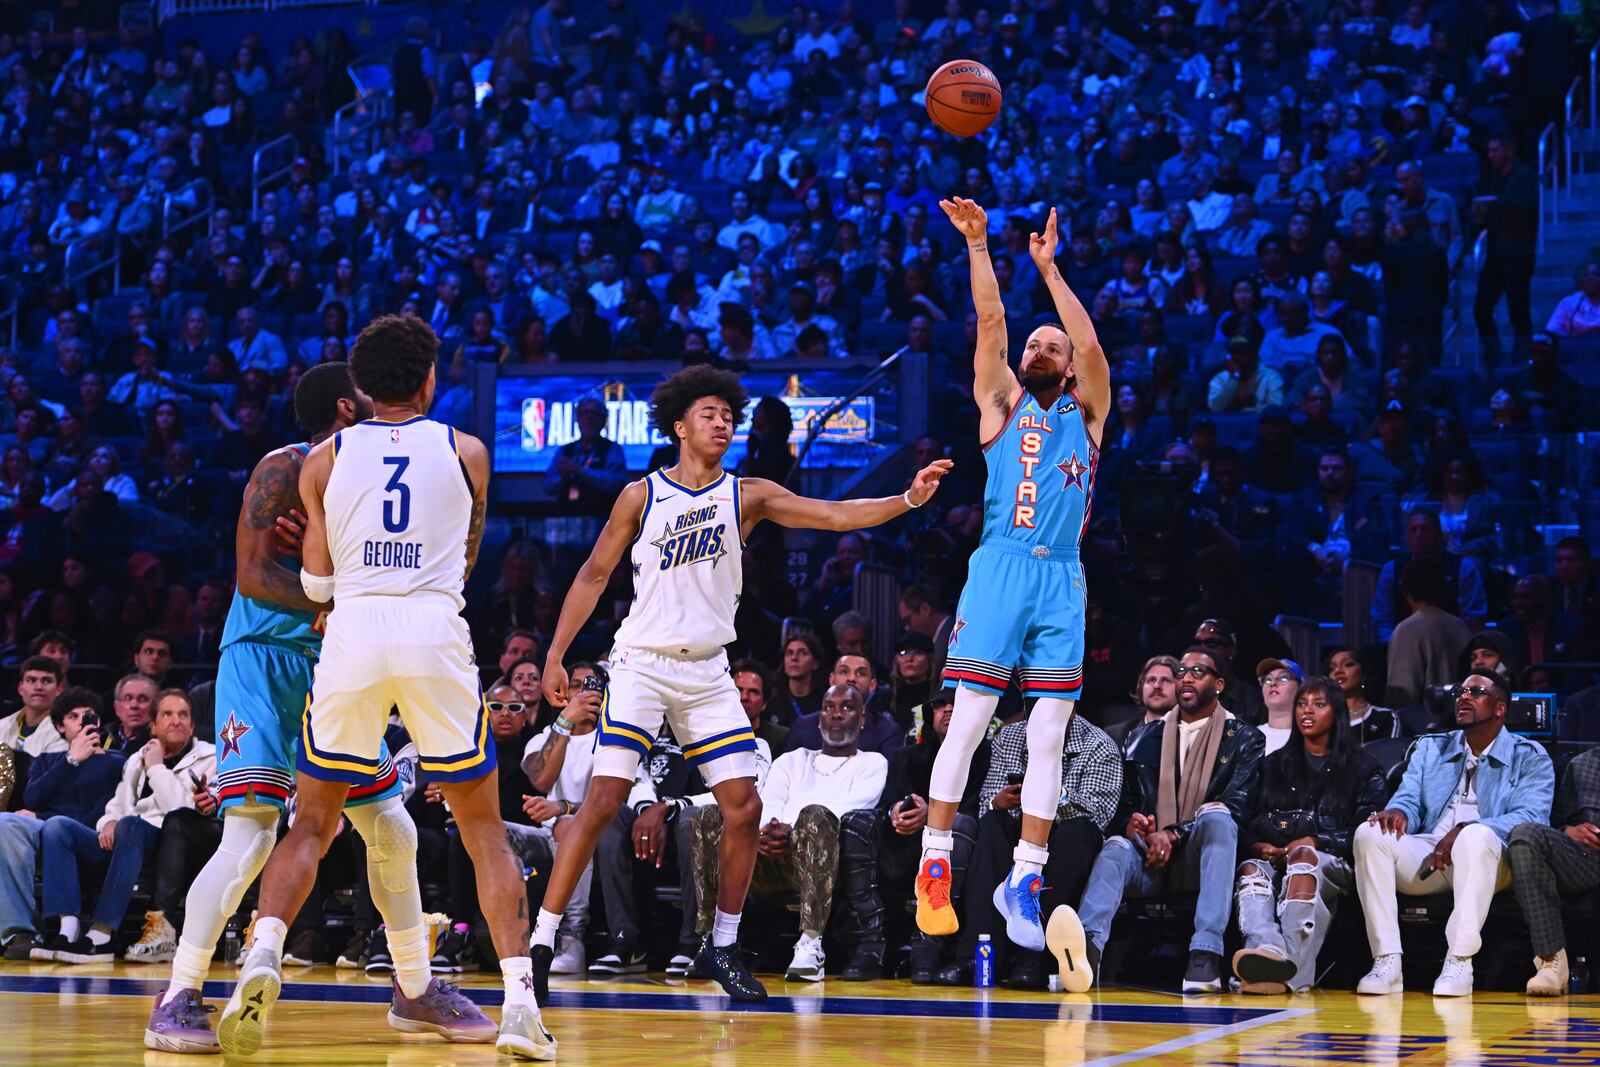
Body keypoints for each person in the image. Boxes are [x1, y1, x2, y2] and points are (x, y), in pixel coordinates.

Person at [534, 362, 949, 1013]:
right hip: (641, 662)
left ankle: (722, 944)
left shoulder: (747, 493)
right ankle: (540, 940)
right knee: (604, 798)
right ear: (678, 424)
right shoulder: (640, 496)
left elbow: (834, 514)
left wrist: (906, 500)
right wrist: (557, 652)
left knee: (745, 808)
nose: (723, 421)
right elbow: (591, 575)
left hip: (706, 672)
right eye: (709, 413)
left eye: (730, 414)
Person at [151, 362, 495, 1053]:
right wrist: (338, 596)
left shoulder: (373, 477)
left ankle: (415, 987)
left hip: (336, 662)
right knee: (249, 836)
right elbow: (252, 572)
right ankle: (179, 993)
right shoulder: (287, 465)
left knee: (393, 830)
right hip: (261, 660)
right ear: (348, 404)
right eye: (373, 394)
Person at [918, 199, 1110, 959]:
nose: (1039, 344)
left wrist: (1050, 271)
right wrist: (978, 247)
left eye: (1050, 343)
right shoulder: (998, 402)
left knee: (1049, 733)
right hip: (999, 564)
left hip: (1061, 577)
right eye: (1035, 339)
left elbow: (1091, 342)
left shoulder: (1088, 413)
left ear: (1064, 366)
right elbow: (990, 323)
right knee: (967, 720)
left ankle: (1026, 877)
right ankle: (936, 862)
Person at [1071, 646, 1265, 993]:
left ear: (1219, 684)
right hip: (1148, 857)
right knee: (1115, 847)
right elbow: (1126, 804)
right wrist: (1134, 826)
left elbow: (1238, 806)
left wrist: (1174, 834)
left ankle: (1205, 952)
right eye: (1183, 672)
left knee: (1218, 819)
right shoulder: (1141, 738)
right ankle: (1086, 951)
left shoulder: (1245, 738)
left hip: (1200, 858)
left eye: (1198, 672)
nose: (1187, 678)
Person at [1353, 673, 1554, 996]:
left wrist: (1466, 828)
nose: (1463, 697)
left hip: (1492, 857)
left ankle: (1459, 960)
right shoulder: (1431, 748)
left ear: (1500, 708)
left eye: (1476, 692)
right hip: (1432, 852)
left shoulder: (1527, 755)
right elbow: (1410, 796)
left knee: (1475, 839)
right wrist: (1400, 811)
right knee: (1370, 833)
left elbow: (1533, 816)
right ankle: (1386, 961)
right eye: (1460, 691)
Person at [690, 682, 887, 981]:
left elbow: (849, 806)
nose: (836, 714)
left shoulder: (872, 763)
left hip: (824, 864)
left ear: (861, 719)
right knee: (706, 816)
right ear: (819, 718)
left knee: (817, 815)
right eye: (829, 708)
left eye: (846, 708)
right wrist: (765, 833)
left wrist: (789, 832)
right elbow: (768, 800)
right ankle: (711, 942)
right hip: (764, 855)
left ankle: (811, 942)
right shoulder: (793, 759)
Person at [938, 706, 1121, 990]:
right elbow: (987, 798)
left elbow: (1100, 814)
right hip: (1017, 828)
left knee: (1076, 833)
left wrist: (1051, 795)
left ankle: (1034, 956)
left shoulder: (1098, 744)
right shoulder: (1008, 737)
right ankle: (980, 954)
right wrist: (998, 802)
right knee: (992, 825)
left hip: (1068, 834)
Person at [1231, 678, 1386, 993]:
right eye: (1302, 704)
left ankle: (1292, 975)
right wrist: (1257, 845)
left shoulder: (1364, 768)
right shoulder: (1272, 765)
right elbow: (1246, 819)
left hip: (1338, 864)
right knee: (1250, 871)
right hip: (1277, 859)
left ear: (1337, 712)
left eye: (1319, 704)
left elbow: (1366, 829)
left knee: (1304, 859)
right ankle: (1270, 953)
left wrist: (1318, 841)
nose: (1307, 712)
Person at [42, 689, 215, 965]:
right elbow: (117, 805)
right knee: (57, 828)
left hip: (170, 846)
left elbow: (181, 812)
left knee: (132, 826)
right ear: (153, 725)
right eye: (167, 714)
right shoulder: (136, 758)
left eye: (183, 715)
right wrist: (108, 821)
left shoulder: (210, 757)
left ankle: (102, 934)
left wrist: (157, 768)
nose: (176, 721)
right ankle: (67, 929)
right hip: (127, 838)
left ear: (192, 725)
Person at [838, 688, 984, 981]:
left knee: (962, 824)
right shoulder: (904, 756)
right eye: (940, 705)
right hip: (901, 848)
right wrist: (897, 810)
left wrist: (934, 815)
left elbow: (983, 809)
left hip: (959, 850)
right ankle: (869, 946)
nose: (948, 710)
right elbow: (885, 803)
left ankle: (929, 946)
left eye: (955, 704)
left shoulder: (985, 755)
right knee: (856, 821)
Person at [0, 689, 122, 961]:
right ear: (59, 726)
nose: (81, 720)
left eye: (87, 715)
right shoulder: (48, 760)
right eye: (72, 716)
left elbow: (99, 814)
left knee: (56, 824)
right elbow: (32, 797)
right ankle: (21, 931)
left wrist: (41, 817)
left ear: (98, 723)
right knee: (5, 822)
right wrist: (71, 760)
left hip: (89, 837)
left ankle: (69, 928)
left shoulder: (116, 762)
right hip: (50, 829)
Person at [1508, 746, 1600, 995]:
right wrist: (1566, 831)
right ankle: (1551, 961)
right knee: (1526, 835)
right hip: (1590, 859)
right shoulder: (1581, 765)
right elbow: (1556, 819)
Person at [1385, 557, 1473, 709]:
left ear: (1405, 590)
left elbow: (1401, 695)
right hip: (1462, 722)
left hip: (1424, 727)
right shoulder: (1461, 627)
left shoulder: (1406, 630)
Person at [1325, 647, 1398, 741]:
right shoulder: (1323, 718)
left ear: (1364, 674)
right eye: (1332, 668)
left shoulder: (1384, 718)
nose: (1338, 671)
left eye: (1348, 664)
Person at [0, 655, 65, 756]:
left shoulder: (64, 732)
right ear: (20, 688)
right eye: (31, 680)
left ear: (58, 689)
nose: (38, 687)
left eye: (46, 681)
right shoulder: (2, 726)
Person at [1255, 658, 1303, 754]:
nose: (1273, 683)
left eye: (1283, 678)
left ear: (1300, 688)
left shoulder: (1307, 737)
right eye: (1268, 680)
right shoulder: (1250, 737)